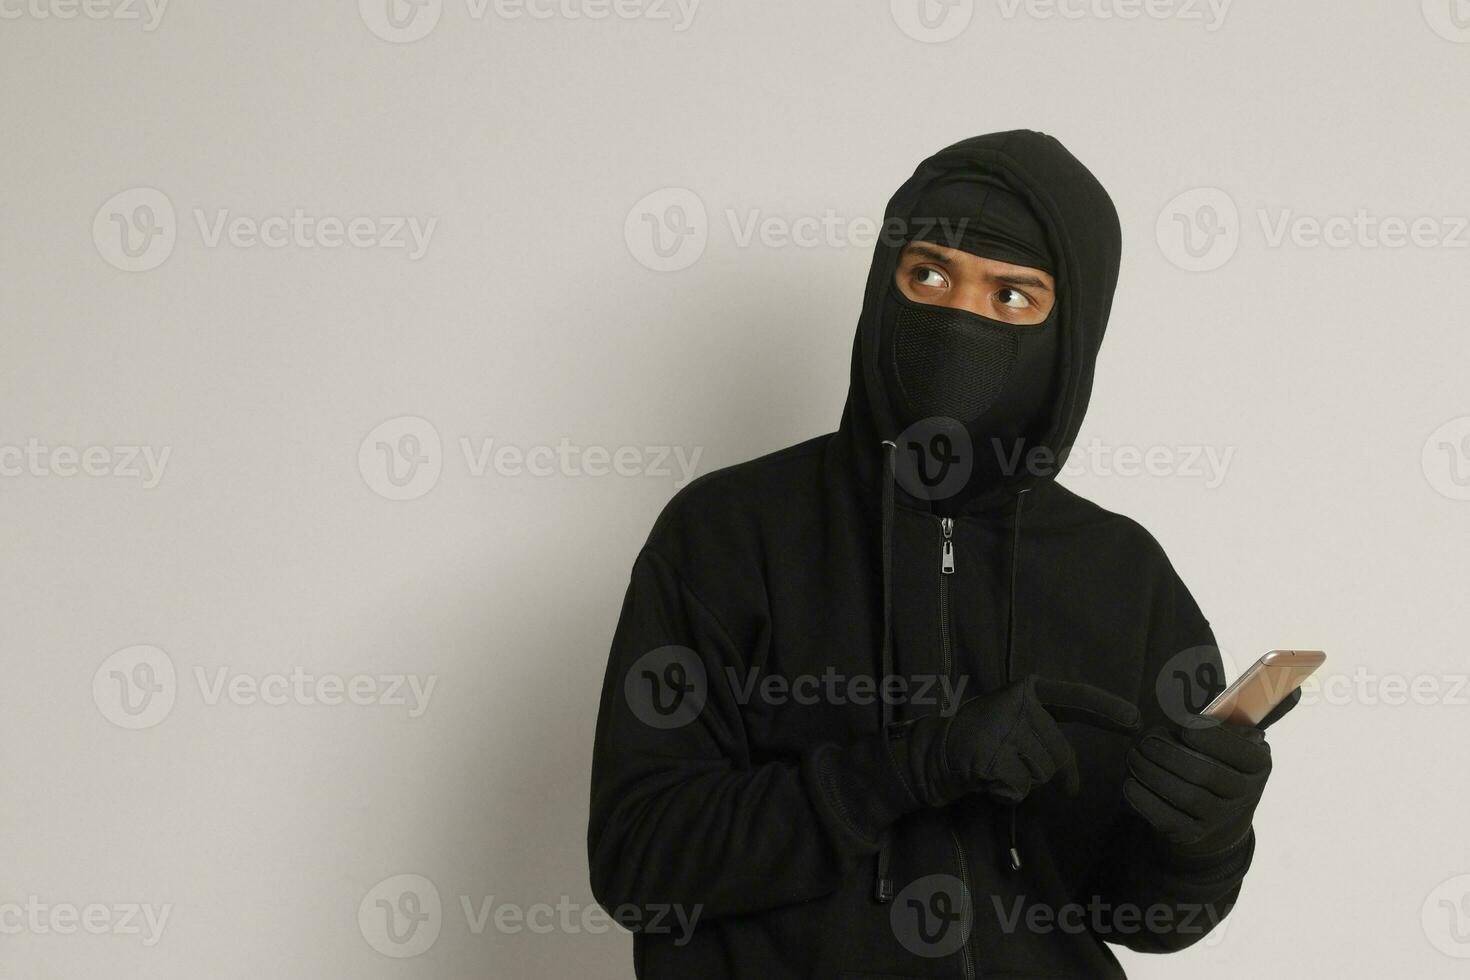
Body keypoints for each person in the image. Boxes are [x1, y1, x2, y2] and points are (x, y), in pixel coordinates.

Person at [587, 129, 1296, 978]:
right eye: (928, 273)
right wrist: (906, 768)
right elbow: (639, 861)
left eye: (1013, 298)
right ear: (881, 287)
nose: (959, 318)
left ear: (1073, 335)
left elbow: (1145, 914)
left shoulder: (1122, 572)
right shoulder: (725, 534)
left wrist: (1203, 835)